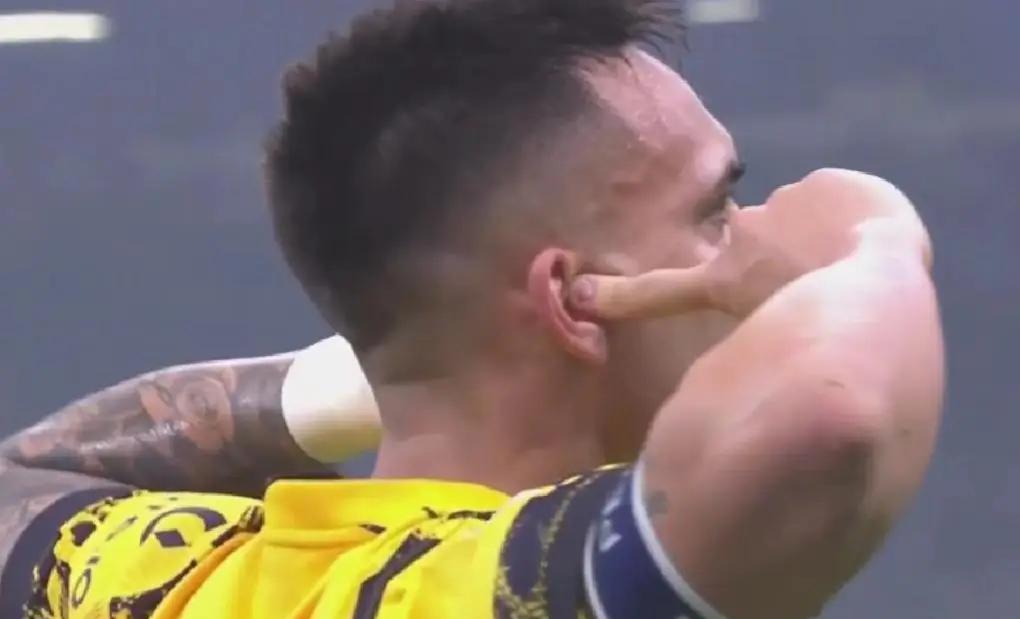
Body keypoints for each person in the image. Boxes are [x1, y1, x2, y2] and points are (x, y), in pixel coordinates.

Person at [0, 1, 944, 618]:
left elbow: (23, 474)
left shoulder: (172, 578)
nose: (752, 239)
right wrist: (873, 236)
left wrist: (358, 384)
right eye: (715, 211)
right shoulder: (493, 587)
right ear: (574, 302)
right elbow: (828, 427)